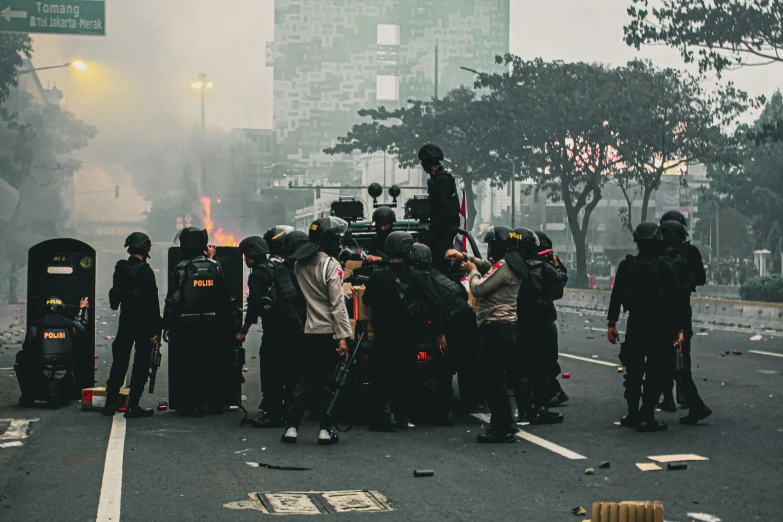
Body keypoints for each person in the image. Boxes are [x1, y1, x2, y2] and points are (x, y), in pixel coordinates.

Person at [607, 222, 689, 432]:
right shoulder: (665, 267)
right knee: (657, 372)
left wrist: (612, 323)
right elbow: (677, 300)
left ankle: (634, 413)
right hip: (660, 327)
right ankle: (647, 415)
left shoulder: (627, 266)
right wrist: (680, 329)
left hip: (635, 325)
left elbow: (616, 295)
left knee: (633, 372)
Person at [281, 217, 352, 445]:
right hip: (330, 333)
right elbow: (337, 305)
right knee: (330, 383)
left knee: (305, 381)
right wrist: (343, 336)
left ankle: (291, 427)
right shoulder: (331, 265)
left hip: (310, 333)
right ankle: (325, 430)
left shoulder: (299, 265)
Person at [364, 232, 443, 431]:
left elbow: (367, 301)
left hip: (383, 334)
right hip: (409, 335)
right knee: (407, 375)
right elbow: (435, 302)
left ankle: (382, 417)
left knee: (381, 375)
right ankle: (403, 415)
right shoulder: (416, 275)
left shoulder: (377, 276)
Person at [458, 226, 526, 443]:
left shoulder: (506, 267)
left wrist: (471, 271)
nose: (488, 248)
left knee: (492, 378)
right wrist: (464, 256)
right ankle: (503, 424)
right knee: (495, 378)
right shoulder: (507, 264)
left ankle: (502, 428)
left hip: (496, 328)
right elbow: (488, 266)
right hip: (501, 328)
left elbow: (478, 288)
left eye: (490, 244)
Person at [162, 227, 231, 417]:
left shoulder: (181, 268)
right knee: (210, 363)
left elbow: (173, 299)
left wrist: (166, 325)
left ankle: (192, 405)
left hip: (187, 324)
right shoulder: (214, 266)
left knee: (189, 364)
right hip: (211, 322)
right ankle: (214, 403)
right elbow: (224, 294)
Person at [407, 242, 479, 421]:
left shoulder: (419, 276)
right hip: (467, 316)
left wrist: (440, 332)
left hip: (452, 319)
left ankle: (444, 411)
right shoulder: (437, 272)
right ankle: (470, 403)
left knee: (444, 364)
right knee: (466, 363)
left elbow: (436, 304)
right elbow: (461, 292)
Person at [237, 233, 303, 428]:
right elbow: (296, 297)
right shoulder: (281, 267)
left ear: (251, 255)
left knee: (271, 371)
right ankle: (291, 411)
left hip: (275, 330)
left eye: (245, 256)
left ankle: (273, 413)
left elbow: (255, 306)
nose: (245, 260)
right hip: (294, 327)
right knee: (291, 370)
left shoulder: (257, 275)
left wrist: (243, 331)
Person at [103, 232, 162, 418]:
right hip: (144, 323)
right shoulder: (146, 272)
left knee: (119, 362)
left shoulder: (120, 268)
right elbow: (153, 302)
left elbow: (115, 297)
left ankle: (109, 404)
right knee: (141, 365)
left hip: (126, 320)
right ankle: (132, 406)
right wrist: (156, 330)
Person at [659, 220, 712, 425]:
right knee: (676, 360)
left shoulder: (675, 261)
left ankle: (691, 403)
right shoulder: (684, 257)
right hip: (680, 315)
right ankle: (679, 399)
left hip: (673, 317)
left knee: (673, 362)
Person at [519, 231, 569, 417]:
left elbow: (559, 284)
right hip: (542, 319)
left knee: (541, 363)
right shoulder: (539, 268)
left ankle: (543, 398)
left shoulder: (529, 267)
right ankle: (541, 399)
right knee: (541, 363)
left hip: (537, 320)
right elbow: (560, 281)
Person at [16, 296, 90, 407]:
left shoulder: (37, 323)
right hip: (65, 366)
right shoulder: (69, 323)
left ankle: (27, 395)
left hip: (41, 366)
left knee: (21, 357)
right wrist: (82, 309)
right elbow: (82, 325)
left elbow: (27, 345)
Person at [418, 144, 460, 269]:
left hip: (443, 229)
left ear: (427, 163)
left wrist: (432, 229)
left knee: (437, 263)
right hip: (444, 227)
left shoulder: (440, 180)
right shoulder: (441, 178)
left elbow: (443, 209)